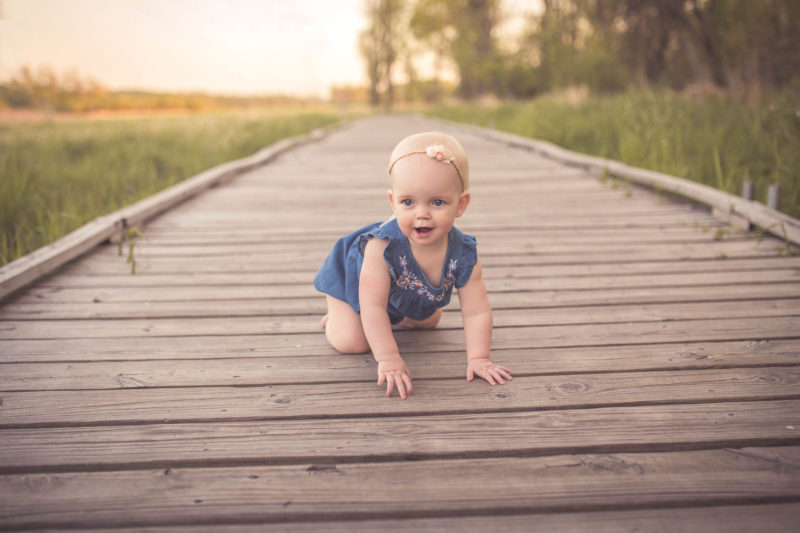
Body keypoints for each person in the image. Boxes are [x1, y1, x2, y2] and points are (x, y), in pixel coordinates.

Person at [314, 131, 512, 399]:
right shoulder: (381, 248)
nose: (422, 214)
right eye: (408, 202)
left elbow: (476, 311)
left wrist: (479, 358)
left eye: (437, 202)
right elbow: (372, 306)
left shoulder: (464, 253)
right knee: (354, 342)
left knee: (428, 319)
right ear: (392, 202)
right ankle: (337, 313)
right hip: (355, 285)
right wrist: (388, 358)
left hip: (401, 292)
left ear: (461, 204)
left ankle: (394, 312)